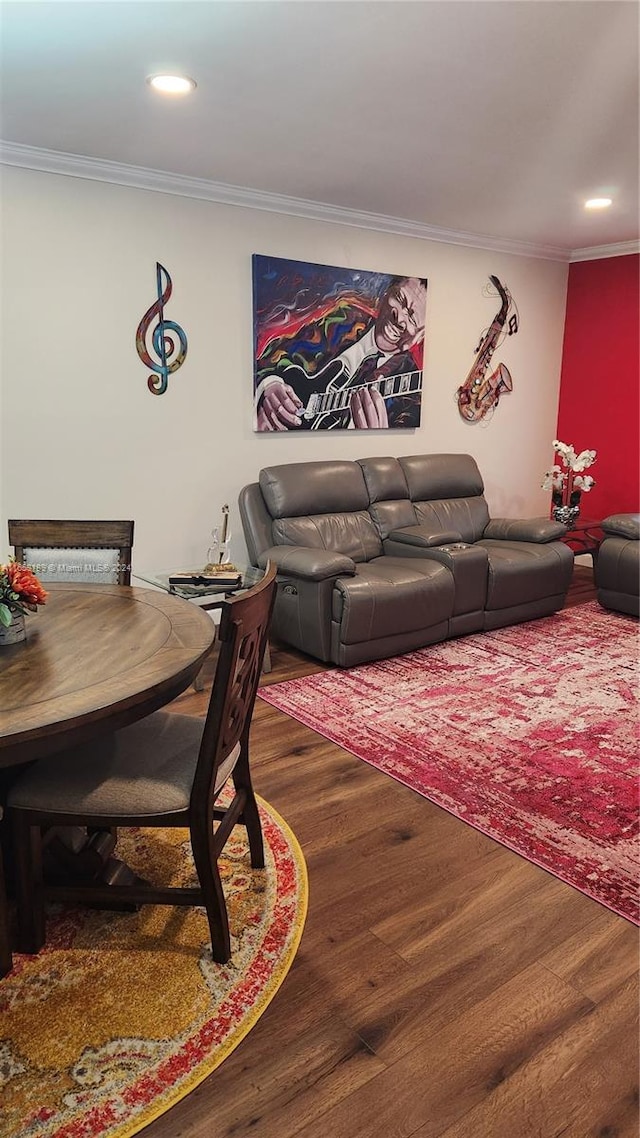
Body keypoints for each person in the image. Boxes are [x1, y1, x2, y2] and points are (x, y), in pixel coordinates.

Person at [254, 275, 427, 431]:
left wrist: (377, 437)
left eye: (412, 318)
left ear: (420, 335)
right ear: (386, 295)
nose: (400, 318)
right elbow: (276, 356)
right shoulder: (345, 317)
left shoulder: (412, 393)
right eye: (399, 298)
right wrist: (270, 385)